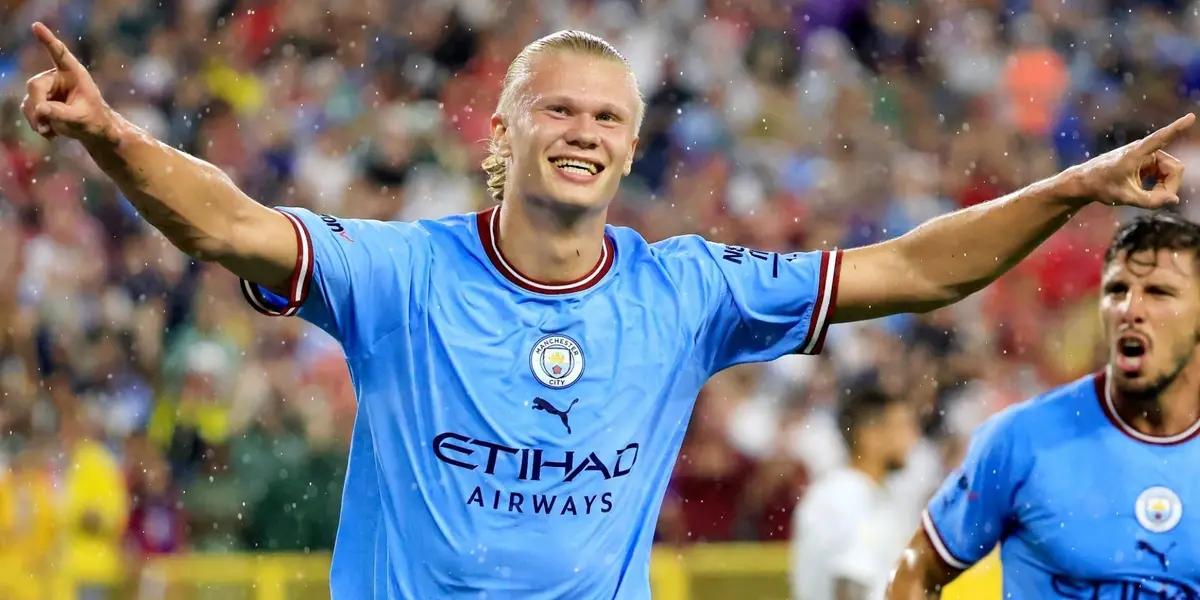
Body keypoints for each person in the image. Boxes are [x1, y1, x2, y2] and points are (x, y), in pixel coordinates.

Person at [20, 21, 1193, 599]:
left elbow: (915, 269)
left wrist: (1080, 185)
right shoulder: (402, 275)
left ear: (631, 146)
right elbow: (227, 224)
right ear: (504, 131)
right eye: (559, 111)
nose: (583, 134)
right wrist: (114, 138)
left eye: (606, 120)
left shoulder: (686, 292)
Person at [888, 212, 1200, 598]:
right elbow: (916, 571)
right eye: (1116, 290)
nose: (1129, 310)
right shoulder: (1023, 439)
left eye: (1159, 292)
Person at [791, 385, 921, 600]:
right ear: (870, 436)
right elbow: (850, 584)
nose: (912, 438)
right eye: (902, 426)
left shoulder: (863, 492)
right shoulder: (847, 497)